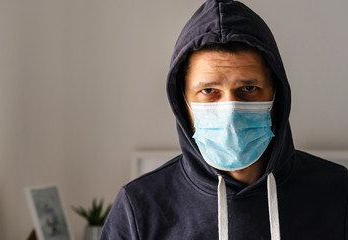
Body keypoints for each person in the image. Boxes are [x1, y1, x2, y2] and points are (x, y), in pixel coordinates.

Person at [100, 0, 348, 239]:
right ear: (183, 102)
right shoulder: (140, 208)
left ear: (276, 95)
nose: (230, 111)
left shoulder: (338, 194)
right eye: (209, 91)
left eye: (249, 88)